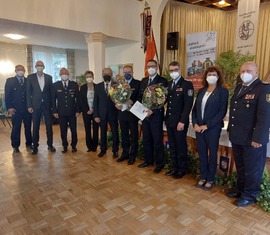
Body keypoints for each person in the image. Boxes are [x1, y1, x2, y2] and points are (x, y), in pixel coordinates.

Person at [227, 61, 270, 207]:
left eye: (249, 71)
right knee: (241, 166)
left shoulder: (263, 89)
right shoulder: (239, 87)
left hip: (252, 139)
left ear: (256, 73)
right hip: (238, 136)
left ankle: (249, 195)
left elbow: (265, 117)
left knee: (252, 169)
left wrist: (258, 138)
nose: (245, 73)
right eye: (243, 71)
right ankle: (240, 189)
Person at [192, 66, 228, 189]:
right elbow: (195, 109)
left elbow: (221, 112)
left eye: (213, 74)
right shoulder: (202, 91)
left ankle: (211, 178)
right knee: (202, 153)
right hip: (199, 128)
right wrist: (195, 123)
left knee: (212, 154)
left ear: (218, 77)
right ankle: (203, 176)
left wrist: (207, 125)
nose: (211, 76)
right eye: (209, 74)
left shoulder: (222, 91)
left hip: (212, 128)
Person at [165, 61, 194, 179]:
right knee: (172, 145)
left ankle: (182, 168)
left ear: (180, 70)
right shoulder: (168, 84)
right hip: (169, 120)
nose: (173, 72)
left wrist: (182, 121)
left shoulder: (187, 84)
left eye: (175, 69)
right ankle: (174, 167)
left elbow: (188, 105)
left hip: (180, 122)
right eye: (171, 70)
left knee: (180, 145)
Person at [138, 59, 168, 173]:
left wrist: (153, 111)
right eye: (148, 66)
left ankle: (159, 164)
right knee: (146, 139)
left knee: (157, 140)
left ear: (157, 67)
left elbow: (163, 99)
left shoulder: (163, 81)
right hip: (144, 115)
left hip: (156, 116)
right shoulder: (144, 80)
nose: (150, 68)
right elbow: (140, 97)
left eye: (153, 66)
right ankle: (148, 160)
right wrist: (141, 109)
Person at [26, 61, 55, 155]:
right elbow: (28, 93)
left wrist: (53, 106)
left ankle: (50, 145)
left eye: (41, 65)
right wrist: (29, 105)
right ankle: (35, 146)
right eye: (38, 65)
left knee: (49, 126)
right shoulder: (30, 77)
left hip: (47, 106)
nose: (40, 67)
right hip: (35, 106)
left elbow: (52, 93)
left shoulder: (49, 77)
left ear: (44, 67)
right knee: (35, 127)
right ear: (35, 66)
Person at [115, 65, 140, 165]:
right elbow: (115, 97)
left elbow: (141, 97)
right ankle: (125, 153)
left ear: (132, 72)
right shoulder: (119, 84)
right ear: (123, 73)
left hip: (133, 114)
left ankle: (132, 155)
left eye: (129, 72)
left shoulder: (137, 83)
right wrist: (116, 105)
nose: (127, 74)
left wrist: (132, 101)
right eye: (125, 72)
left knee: (134, 136)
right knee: (124, 135)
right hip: (122, 114)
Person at [5, 65, 32, 153]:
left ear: (25, 71)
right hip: (15, 110)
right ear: (15, 71)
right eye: (18, 69)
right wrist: (9, 107)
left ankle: (29, 143)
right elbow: (7, 95)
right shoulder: (10, 81)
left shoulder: (28, 81)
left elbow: (31, 94)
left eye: (22, 69)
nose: (20, 71)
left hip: (27, 109)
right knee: (16, 128)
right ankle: (15, 146)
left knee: (28, 127)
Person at [52, 68, 80, 153]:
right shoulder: (55, 85)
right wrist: (54, 111)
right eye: (62, 73)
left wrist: (78, 110)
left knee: (73, 130)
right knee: (63, 130)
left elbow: (78, 99)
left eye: (66, 73)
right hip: (61, 112)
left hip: (72, 112)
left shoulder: (74, 84)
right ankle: (65, 146)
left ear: (68, 74)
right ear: (60, 75)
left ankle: (74, 146)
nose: (64, 75)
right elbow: (53, 100)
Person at [93, 67, 119, 158]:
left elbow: (119, 100)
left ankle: (115, 150)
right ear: (102, 75)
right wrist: (95, 115)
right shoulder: (98, 86)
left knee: (115, 133)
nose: (106, 75)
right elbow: (95, 101)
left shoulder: (116, 85)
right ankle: (103, 150)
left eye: (108, 73)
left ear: (111, 75)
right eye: (104, 73)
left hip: (113, 113)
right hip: (102, 114)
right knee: (103, 133)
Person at [80, 70, 99, 152]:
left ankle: (94, 146)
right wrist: (87, 110)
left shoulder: (97, 87)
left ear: (93, 77)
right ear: (85, 78)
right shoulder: (83, 87)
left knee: (95, 129)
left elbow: (99, 100)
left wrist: (94, 109)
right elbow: (81, 101)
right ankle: (89, 146)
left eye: (90, 76)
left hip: (96, 112)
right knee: (87, 129)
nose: (89, 78)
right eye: (87, 77)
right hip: (86, 112)